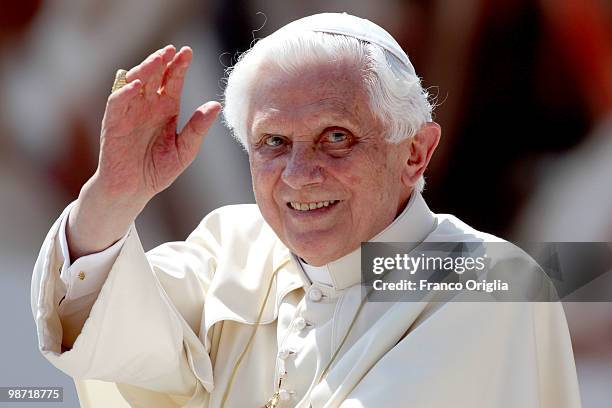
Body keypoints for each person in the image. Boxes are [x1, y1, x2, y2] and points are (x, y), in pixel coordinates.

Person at [31, 13, 581, 408]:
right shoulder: (233, 246)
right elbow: (110, 338)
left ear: (414, 153)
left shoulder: (487, 277)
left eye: (336, 137)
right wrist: (114, 195)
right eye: (272, 142)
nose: (298, 174)